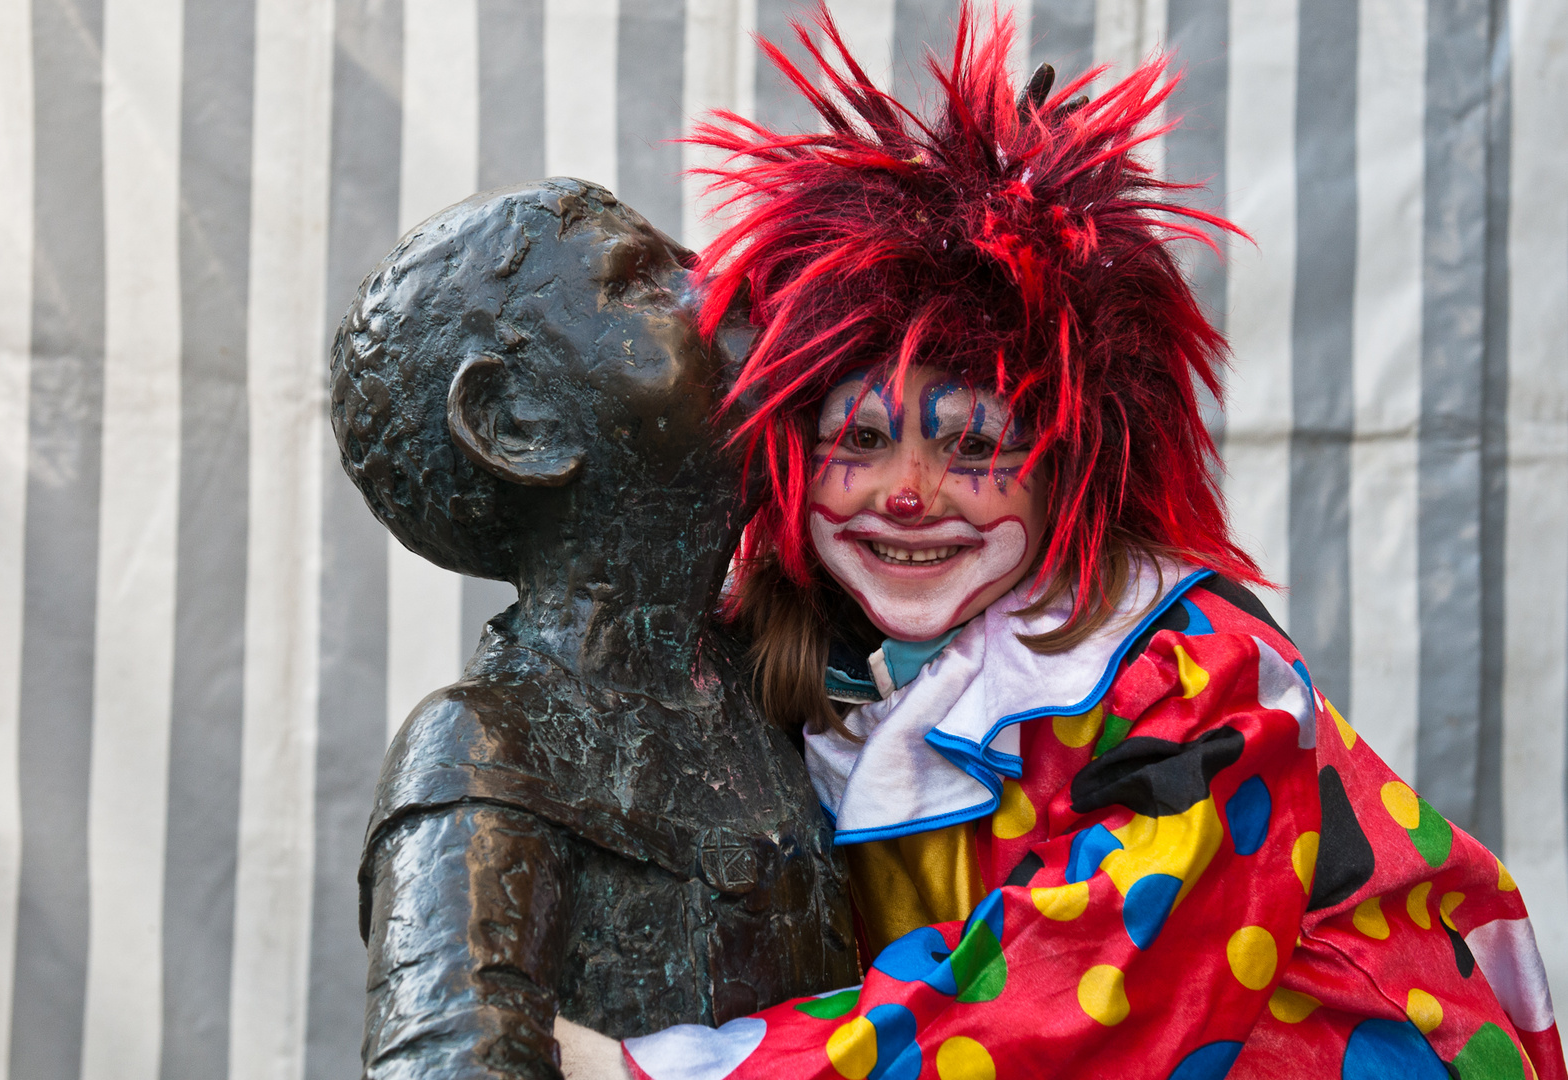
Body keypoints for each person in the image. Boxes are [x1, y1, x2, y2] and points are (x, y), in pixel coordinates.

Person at [557, 5, 1566, 1079]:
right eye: (858, 437)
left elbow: (1086, 992)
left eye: (975, 443)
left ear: (1070, 472)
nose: (908, 495)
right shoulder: (801, 664)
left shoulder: (1194, 679)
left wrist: (665, 1073)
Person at [334, 178, 856, 1080]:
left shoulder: (776, 666)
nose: (725, 286)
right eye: (645, 283)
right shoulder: (485, 742)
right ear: (516, 423)